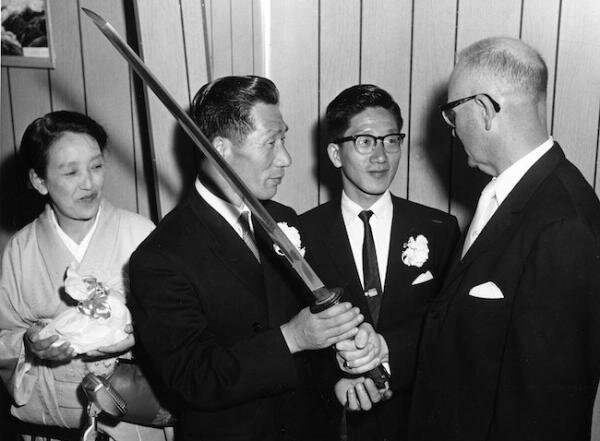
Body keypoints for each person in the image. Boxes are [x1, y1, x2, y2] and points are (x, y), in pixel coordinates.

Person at [128, 75, 365, 441]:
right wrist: (291, 338)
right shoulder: (161, 256)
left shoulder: (285, 220)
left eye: (283, 139)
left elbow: (323, 327)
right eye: (271, 142)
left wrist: (344, 371)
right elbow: (192, 378)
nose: (285, 158)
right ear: (220, 150)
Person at [402, 37, 600, 440]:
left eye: (452, 114)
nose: (452, 129)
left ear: (484, 109)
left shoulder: (563, 224)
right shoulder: (507, 194)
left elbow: (548, 413)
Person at [300, 84, 459, 441]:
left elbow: (450, 330)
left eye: (391, 140)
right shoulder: (302, 234)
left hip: (417, 421)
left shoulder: (440, 229)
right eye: (365, 142)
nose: (381, 157)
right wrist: (335, 383)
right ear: (335, 154)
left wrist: (390, 359)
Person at [0, 111, 170, 440]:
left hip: (134, 423)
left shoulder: (140, 234)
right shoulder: (20, 250)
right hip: (53, 426)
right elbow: (4, 335)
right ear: (39, 180)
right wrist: (29, 345)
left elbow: (178, 327)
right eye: (70, 172)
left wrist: (136, 334)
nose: (89, 183)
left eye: (96, 166)